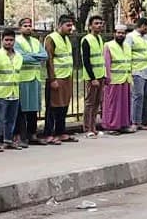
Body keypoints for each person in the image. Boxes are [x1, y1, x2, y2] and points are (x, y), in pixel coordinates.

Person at [43, 16, 77, 144]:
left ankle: (61, 132)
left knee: (64, 105)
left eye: (71, 25)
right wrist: (52, 79)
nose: (71, 28)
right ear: (60, 25)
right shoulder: (51, 38)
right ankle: (49, 133)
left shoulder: (67, 39)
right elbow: (49, 59)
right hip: (56, 77)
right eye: (68, 25)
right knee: (53, 107)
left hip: (66, 75)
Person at [14, 18, 48, 145]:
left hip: (35, 77)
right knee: (22, 108)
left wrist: (31, 56)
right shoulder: (17, 41)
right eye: (25, 26)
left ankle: (32, 134)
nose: (28, 28)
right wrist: (35, 56)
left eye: (30, 25)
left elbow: (45, 55)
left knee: (34, 108)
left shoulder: (35, 41)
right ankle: (21, 135)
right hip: (23, 78)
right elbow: (21, 58)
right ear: (20, 28)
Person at [0, 30, 22, 150]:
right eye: (6, 40)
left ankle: (8, 140)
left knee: (11, 119)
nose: (9, 42)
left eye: (11, 40)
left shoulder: (19, 56)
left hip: (14, 91)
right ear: (2, 40)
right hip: (0, 92)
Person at [101, 25, 134, 134]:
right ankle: (111, 126)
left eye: (123, 33)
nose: (121, 35)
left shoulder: (127, 46)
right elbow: (106, 63)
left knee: (125, 104)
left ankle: (124, 124)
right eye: (119, 33)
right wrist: (107, 77)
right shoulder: (108, 45)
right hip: (113, 79)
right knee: (112, 104)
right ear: (114, 33)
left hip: (125, 79)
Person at [80, 16, 106, 138]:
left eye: (100, 23)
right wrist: (92, 78)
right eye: (96, 23)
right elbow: (86, 61)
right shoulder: (86, 40)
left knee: (97, 102)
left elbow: (101, 59)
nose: (99, 25)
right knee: (90, 102)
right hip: (92, 77)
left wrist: (103, 75)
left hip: (100, 75)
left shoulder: (99, 38)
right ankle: (87, 128)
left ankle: (94, 127)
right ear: (90, 26)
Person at [125, 18, 147, 129]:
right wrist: (129, 70)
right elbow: (127, 53)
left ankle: (139, 121)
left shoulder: (145, 38)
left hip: (146, 70)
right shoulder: (130, 37)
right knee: (137, 96)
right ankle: (134, 122)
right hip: (136, 71)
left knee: (143, 97)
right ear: (142, 26)